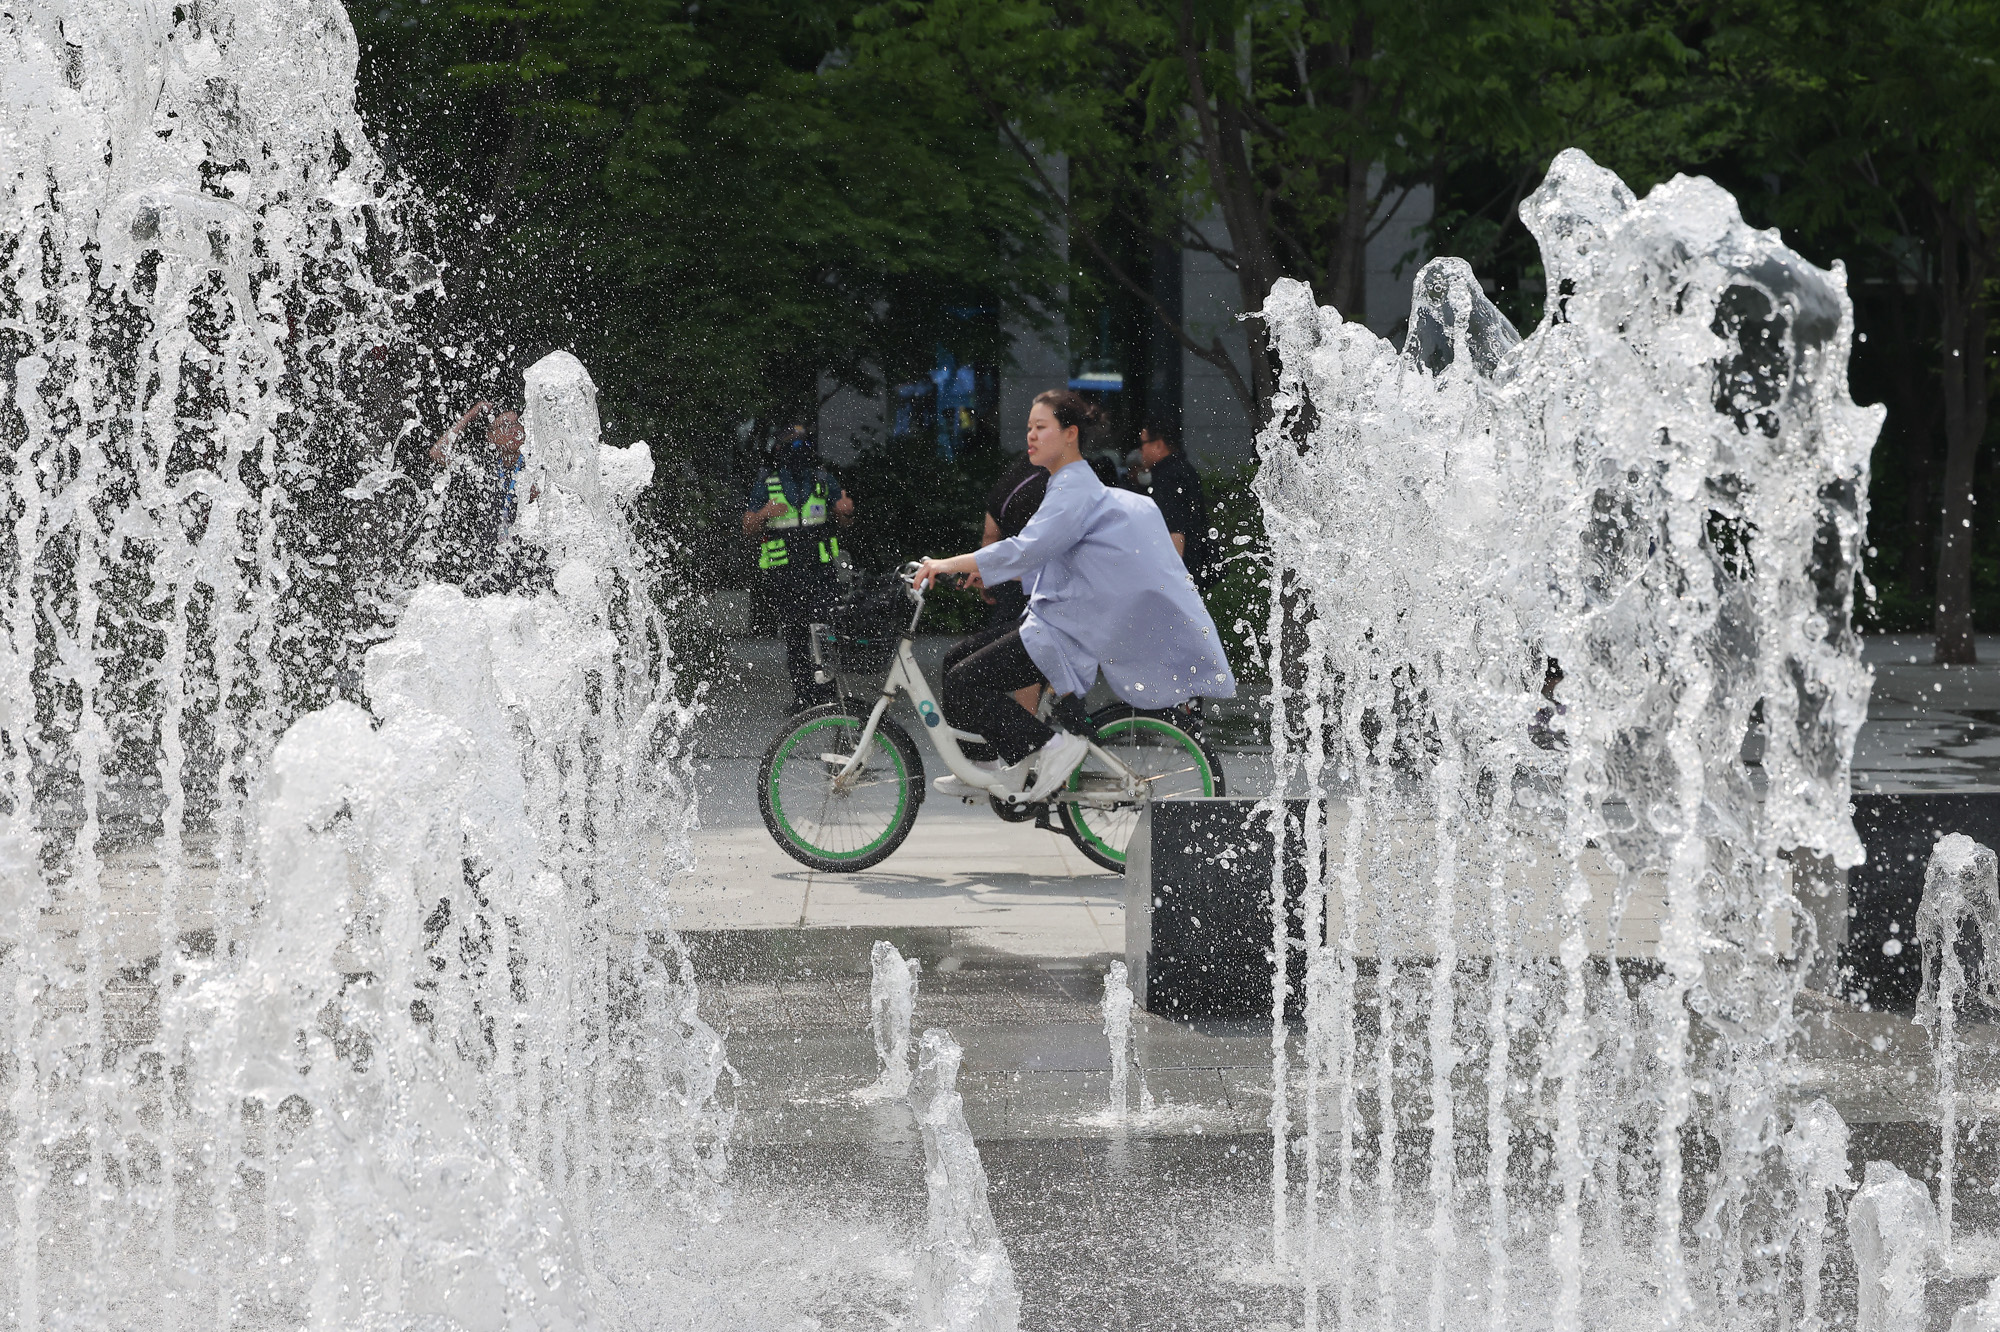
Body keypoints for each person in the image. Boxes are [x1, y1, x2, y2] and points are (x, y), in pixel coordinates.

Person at [913, 390, 1237, 803]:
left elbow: (1025, 548)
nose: (1030, 436)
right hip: (1055, 621)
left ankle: (1052, 748)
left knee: (965, 680)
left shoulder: (1073, 489)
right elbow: (1055, 554)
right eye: (1029, 428)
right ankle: (989, 767)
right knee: (953, 662)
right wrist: (985, 574)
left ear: (1070, 434)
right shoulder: (1065, 484)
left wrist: (948, 563)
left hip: (1065, 631)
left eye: (1041, 427)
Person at [745, 424, 855, 714]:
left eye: (802, 441)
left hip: (820, 572)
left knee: (824, 632)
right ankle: (803, 697)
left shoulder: (822, 480)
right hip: (785, 574)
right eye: (791, 441)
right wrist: (765, 513)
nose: (798, 448)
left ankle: (829, 695)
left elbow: (844, 518)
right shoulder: (767, 483)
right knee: (795, 637)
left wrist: (845, 510)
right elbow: (747, 526)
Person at [429, 399, 542, 590]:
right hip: (487, 567)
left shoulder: (535, 465)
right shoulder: (482, 467)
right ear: (491, 436)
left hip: (525, 569)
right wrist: (471, 415)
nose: (515, 430)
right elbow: (438, 452)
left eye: (518, 423)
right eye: (506, 425)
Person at [1135, 417, 1213, 588]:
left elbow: (1175, 530)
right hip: (1195, 567)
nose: (1140, 450)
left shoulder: (1167, 477)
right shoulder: (1184, 469)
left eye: (1143, 443)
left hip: (1181, 573)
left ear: (1158, 444)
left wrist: (1168, 583)